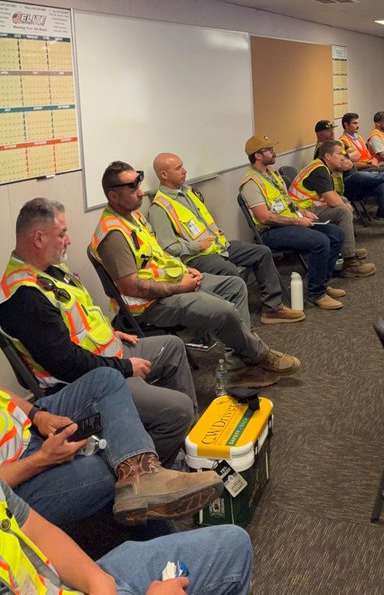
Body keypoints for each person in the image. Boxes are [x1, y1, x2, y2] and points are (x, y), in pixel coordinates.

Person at [0, 199, 198, 463]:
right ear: (38, 238)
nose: (68, 240)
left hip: (108, 352)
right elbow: (66, 364)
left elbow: (80, 319)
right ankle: (143, 470)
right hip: (86, 381)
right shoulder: (25, 297)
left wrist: (112, 333)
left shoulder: (48, 270)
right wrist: (126, 367)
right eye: (62, 234)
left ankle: (185, 440)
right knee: (178, 410)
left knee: (173, 347)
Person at [91, 162, 300, 388]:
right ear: (113, 195)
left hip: (172, 283)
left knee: (235, 286)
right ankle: (258, 355)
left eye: (138, 184)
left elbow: (158, 254)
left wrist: (184, 270)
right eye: (132, 188)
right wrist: (181, 286)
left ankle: (240, 364)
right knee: (224, 310)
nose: (141, 191)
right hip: (150, 304)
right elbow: (131, 288)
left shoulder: (134, 217)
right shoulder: (113, 234)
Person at [0, 368, 222, 527]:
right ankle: (144, 505)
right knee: (105, 465)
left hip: (23, 429)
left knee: (105, 379)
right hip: (12, 484)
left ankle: (142, 474)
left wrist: (37, 416)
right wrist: (41, 460)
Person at [0, 477, 251, 594]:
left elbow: (36, 529)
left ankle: (143, 474)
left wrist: (98, 582)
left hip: (68, 585)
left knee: (233, 546)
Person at [147, 153, 303, 324]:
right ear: (164, 175)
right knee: (230, 271)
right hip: (196, 257)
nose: (185, 171)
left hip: (218, 246)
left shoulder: (189, 192)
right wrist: (195, 246)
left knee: (262, 252)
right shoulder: (160, 208)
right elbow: (167, 247)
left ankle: (272, 308)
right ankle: (238, 326)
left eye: (182, 166)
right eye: (178, 168)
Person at [240, 135, 346, 311]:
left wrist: (304, 212)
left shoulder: (272, 175)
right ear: (258, 155)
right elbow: (265, 217)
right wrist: (297, 221)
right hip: (271, 231)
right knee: (320, 241)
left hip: (291, 222)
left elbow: (287, 201)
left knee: (336, 234)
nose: (274, 152)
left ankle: (321, 282)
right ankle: (316, 293)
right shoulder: (251, 183)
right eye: (269, 150)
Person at [288, 141, 379, 275]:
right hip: (302, 212)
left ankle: (347, 248)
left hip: (309, 206)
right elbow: (331, 200)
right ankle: (349, 261)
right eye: (338, 154)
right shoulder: (319, 170)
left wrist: (344, 203)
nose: (342, 157)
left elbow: (332, 195)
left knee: (343, 201)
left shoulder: (321, 166)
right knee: (343, 212)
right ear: (328, 156)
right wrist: (346, 206)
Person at [316, 118, 384, 214]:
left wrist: (346, 157)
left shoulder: (337, 144)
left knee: (382, 185)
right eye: (328, 130)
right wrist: (348, 160)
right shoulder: (321, 149)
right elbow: (343, 166)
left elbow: (357, 154)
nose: (332, 132)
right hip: (344, 185)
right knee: (360, 175)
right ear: (319, 133)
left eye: (332, 129)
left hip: (355, 178)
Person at [341, 112, 384, 199]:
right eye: (355, 123)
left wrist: (374, 159)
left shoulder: (359, 138)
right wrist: (369, 164)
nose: (358, 126)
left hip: (372, 164)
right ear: (346, 124)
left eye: (358, 123)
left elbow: (369, 154)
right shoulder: (343, 141)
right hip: (362, 169)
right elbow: (351, 164)